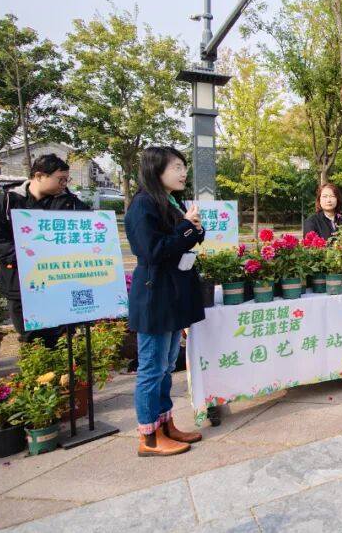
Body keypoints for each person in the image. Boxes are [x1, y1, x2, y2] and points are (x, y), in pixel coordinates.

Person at [125, 146, 206, 456]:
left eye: (183, 167)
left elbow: (182, 240)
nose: (183, 173)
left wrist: (195, 228)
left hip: (172, 293)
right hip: (155, 295)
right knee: (152, 368)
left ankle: (165, 424)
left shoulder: (170, 201)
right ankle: (149, 436)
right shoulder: (143, 205)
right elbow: (153, 250)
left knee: (167, 365)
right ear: (155, 170)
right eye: (176, 167)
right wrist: (186, 227)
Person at [0, 153, 89, 347]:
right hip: (20, 284)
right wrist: (24, 258)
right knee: (31, 337)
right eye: (61, 179)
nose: (64, 184)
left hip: (59, 283)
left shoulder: (72, 204)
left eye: (67, 180)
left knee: (61, 337)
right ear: (39, 176)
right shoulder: (7, 202)